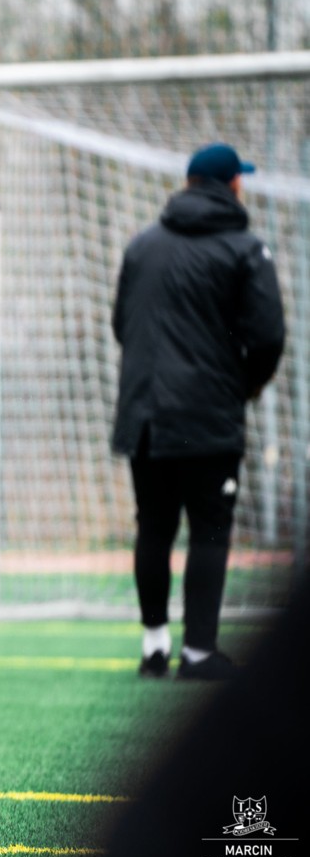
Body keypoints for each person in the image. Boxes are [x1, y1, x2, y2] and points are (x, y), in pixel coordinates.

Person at [112, 142, 285, 681]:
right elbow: (268, 338)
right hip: (208, 421)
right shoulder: (245, 248)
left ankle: (154, 648)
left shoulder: (142, 246)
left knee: (154, 527)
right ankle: (199, 653)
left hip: (145, 418)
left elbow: (122, 325)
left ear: (188, 184)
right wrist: (242, 387)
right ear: (234, 184)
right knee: (209, 530)